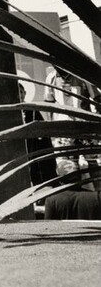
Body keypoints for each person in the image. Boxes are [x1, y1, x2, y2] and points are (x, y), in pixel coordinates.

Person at [42, 67, 101, 220]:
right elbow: (48, 103)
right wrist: (52, 128)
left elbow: (98, 99)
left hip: (85, 128)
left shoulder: (82, 76)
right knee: (68, 167)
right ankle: (72, 202)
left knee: (93, 163)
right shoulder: (51, 78)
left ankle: (97, 198)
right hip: (63, 130)